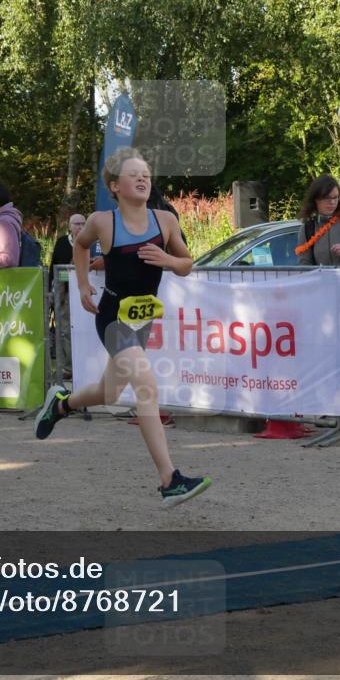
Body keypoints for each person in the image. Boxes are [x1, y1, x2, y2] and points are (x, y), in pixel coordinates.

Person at [33, 147, 211, 508]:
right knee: (146, 386)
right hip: (113, 316)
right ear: (115, 186)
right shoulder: (103, 221)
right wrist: (83, 284)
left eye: (145, 173)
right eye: (134, 174)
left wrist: (167, 259)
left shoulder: (165, 220)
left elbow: (187, 265)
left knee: (110, 392)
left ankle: (62, 404)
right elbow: (80, 247)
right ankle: (170, 480)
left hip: (141, 318)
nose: (143, 178)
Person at [295, 175, 340, 267]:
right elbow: (304, 265)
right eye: (327, 198)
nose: (332, 202)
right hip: (321, 277)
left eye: (335, 197)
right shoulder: (307, 229)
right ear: (316, 199)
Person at [50, 214, 88, 379]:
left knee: (84, 329)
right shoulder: (62, 243)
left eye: (83, 223)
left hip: (85, 291)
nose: (80, 227)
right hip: (64, 291)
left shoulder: (91, 242)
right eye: (76, 224)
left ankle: (84, 365)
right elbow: (54, 265)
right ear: (70, 226)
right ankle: (67, 367)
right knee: (64, 329)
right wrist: (51, 289)